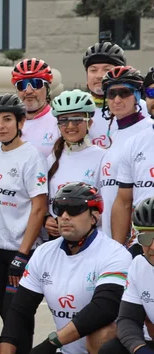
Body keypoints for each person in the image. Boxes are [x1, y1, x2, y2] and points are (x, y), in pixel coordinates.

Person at [0, 182, 130, 354]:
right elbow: (19, 311)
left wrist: (51, 342)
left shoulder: (114, 254)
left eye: (74, 209)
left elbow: (104, 308)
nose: (64, 216)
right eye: (59, 209)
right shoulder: (45, 253)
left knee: (101, 333)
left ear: (95, 215)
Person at [0, 93, 48, 354]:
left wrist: (22, 254)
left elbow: (39, 207)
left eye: (7, 119)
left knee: (16, 317)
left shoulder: (32, 155)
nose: (1, 126)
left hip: (17, 250)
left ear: (21, 122)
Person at [98, 197, 154, 354]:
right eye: (146, 237)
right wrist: (139, 349)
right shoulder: (139, 264)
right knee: (111, 353)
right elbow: (127, 319)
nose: (152, 246)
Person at [98, 66, 150, 241]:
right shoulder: (115, 133)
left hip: (138, 235)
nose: (117, 99)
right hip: (109, 232)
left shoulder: (147, 130)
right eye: (111, 94)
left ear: (137, 95)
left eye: (124, 93)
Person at [44, 90, 105, 240]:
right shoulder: (51, 159)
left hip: (90, 238)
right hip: (57, 239)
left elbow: (108, 205)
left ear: (89, 122)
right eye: (63, 120)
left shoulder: (103, 157)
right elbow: (45, 201)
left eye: (77, 119)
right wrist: (47, 218)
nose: (70, 126)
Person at [111, 67, 154, 252]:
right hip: (143, 241)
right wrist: (117, 251)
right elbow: (123, 201)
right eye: (151, 93)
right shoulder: (134, 143)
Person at [10, 58, 59, 157]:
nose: (28, 91)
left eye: (36, 83)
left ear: (47, 88)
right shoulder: (8, 124)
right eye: (22, 85)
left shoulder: (59, 122)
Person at [82, 42, 127, 146]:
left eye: (107, 69)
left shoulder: (139, 108)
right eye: (93, 70)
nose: (99, 76)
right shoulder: (76, 109)